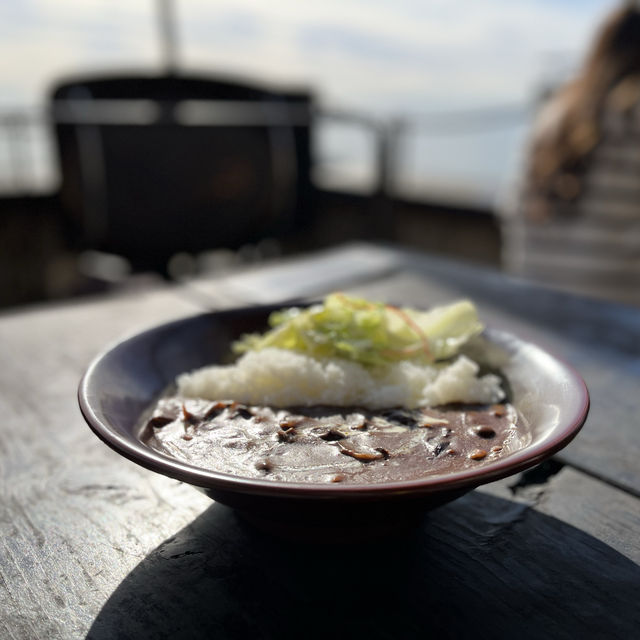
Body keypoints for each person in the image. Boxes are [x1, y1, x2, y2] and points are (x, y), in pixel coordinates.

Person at [500, 4, 640, 306]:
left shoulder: (557, 110)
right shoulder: (631, 111)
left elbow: (513, 209)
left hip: (533, 299)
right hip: (619, 312)